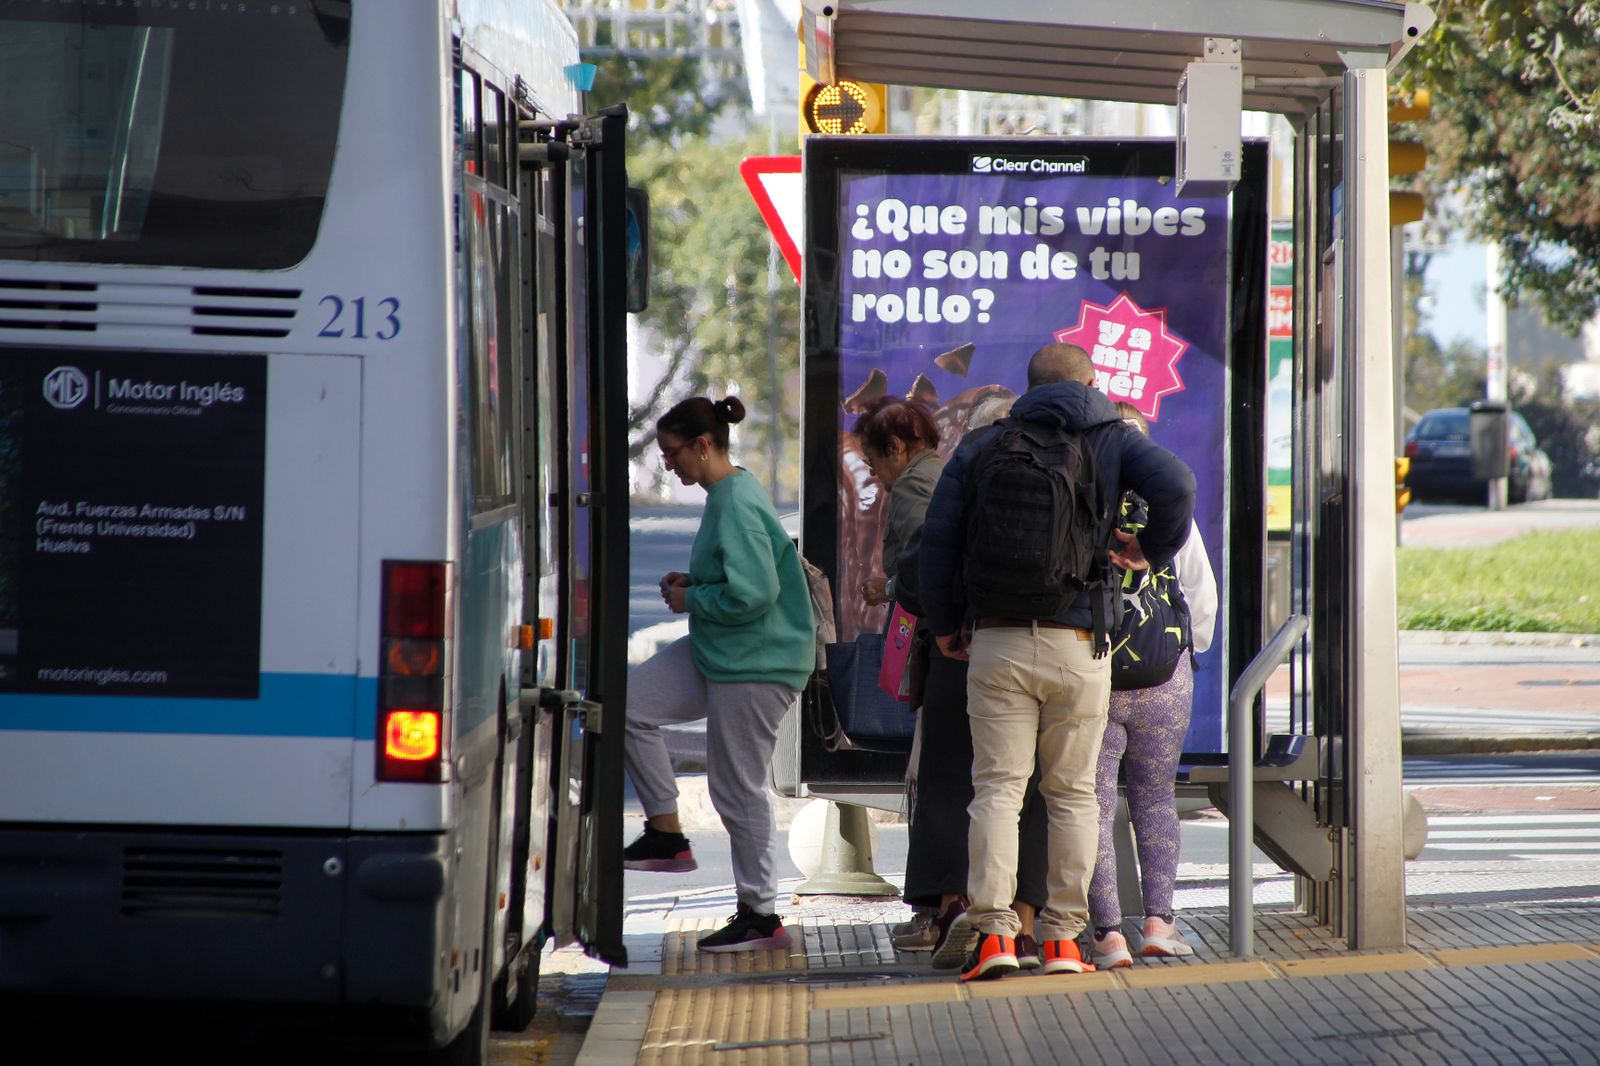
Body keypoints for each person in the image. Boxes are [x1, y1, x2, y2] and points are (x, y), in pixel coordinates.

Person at [918, 343, 1196, 982]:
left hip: (996, 640)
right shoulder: (1113, 439)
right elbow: (1178, 484)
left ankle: (994, 937)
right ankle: (1066, 942)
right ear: (1092, 384)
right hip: (1080, 643)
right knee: (1072, 794)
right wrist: (1145, 547)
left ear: (1028, 386)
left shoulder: (987, 441)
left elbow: (940, 538)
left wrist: (945, 626)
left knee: (996, 790)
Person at [619, 396, 816, 953]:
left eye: (673, 453)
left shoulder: (733, 501)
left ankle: (760, 916)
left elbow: (756, 593)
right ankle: (665, 834)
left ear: (703, 445)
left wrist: (692, 596)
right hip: (723, 652)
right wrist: (697, 579)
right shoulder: (729, 492)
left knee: (736, 786)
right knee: (631, 704)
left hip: (757, 662)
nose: (669, 465)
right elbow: (739, 572)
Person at [891, 396, 1054, 969]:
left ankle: (957, 904)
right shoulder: (1062, 479)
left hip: (960, 655)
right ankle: (1029, 924)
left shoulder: (959, 487)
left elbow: (915, 574)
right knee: (1030, 793)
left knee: (951, 784)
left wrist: (941, 626)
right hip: (1048, 655)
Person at [1089, 403, 1218, 965]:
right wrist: (1189, 654)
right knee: (1155, 798)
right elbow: (1203, 602)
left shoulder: (1086, 507)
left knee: (1090, 804)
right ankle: (1160, 924)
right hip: (1165, 679)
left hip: (1094, 674)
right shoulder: (1172, 515)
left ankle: (1108, 933)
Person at [847, 398, 948, 950]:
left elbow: (917, 564)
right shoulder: (947, 470)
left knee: (926, 778)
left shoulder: (913, 484)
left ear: (897, 449)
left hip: (938, 645)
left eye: (875, 462)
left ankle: (931, 910)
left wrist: (888, 588)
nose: (879, 479)